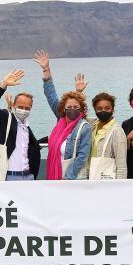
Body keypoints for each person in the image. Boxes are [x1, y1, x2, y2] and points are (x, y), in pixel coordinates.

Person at [34, 50, 92, 180]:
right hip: (55, 175)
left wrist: (68, 177)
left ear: (81, 109)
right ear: (63, 109)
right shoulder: (60, 118)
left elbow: (82, 156)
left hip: (72, 179)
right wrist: (46, 69)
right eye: (69, 107)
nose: (72, 110)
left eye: (76, 107)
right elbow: (51, 95)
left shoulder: (84, 127)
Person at [0, 69, 42, 180]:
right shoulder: (5, 119)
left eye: (27, 108)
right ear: (13, 105)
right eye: (20, 107)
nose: (24, 110)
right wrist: (3, 84)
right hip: (9, 176)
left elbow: (32, 147)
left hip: (28, 177)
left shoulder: (27, 128)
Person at [74, 74, 127, 179]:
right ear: (95, 109)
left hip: (106, 181)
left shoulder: (117, 132)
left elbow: (121, 166)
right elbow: (77, 115)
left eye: (107, 108)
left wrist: (121, 188)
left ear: (113, 109)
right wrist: (78, 92)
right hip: (88, 178)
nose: (103, 111)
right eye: (99, 108)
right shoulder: (91, 125)